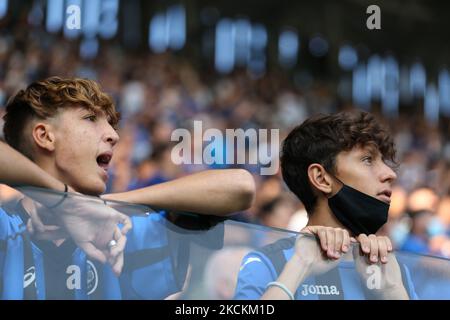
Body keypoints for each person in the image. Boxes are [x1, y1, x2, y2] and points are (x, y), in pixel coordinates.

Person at [0, 76, 255, 299]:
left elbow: (240, 187)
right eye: (90, 118)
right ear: (45, 136)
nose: (113, 135)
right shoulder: (6, 229)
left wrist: (105, 204)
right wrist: (63, 200)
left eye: (111, 123)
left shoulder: (122, 230)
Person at [234, 111, 417, 300]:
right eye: (367, 160)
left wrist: (392, 292)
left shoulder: (392, 272)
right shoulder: (269, 263)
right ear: (321, 178)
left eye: (384, 161)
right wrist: (300, 266)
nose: (390, 174)